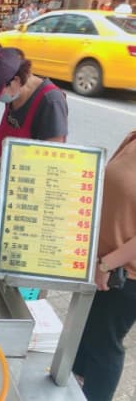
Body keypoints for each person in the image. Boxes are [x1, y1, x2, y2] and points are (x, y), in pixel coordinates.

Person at [72, 131, 136, 401]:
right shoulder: (134, 137)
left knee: (104, 345)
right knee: (82, 334)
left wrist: (108, 263)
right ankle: (72, 390)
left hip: (124, 273)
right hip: (98, 262)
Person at [0, 47, 68, 157]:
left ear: (16, 80)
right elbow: (1, 136)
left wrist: (8, 166)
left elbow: (52, 157)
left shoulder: (51, 102)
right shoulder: (14, 93)